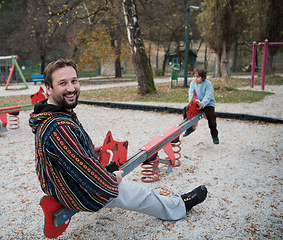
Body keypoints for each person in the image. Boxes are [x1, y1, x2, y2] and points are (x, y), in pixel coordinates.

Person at [29, 59, 207, 223]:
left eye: (74, 81)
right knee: (139, 194)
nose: (71, 88)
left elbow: (68, 152)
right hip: (76, 191)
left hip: (60, 182)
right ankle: (179, 206)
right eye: (62, 83)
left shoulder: (54, 113)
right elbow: (86, 175)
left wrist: (90, 149)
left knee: (119, 175)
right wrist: (112, 179)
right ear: (48, 88)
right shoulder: (58, 127)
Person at [183, 67, 219, 144]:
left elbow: (208, 95)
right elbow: (191, 93)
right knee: (186, 110)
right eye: (194, 76)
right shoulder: (193, 83)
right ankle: (190, 128)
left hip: (208, 104)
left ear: (203, 77)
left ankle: (214, 135)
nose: (195, 79)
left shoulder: (208, 84)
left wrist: (203, 103)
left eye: (198, 77)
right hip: (197, 103)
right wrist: (191, 102)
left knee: (211, 119)